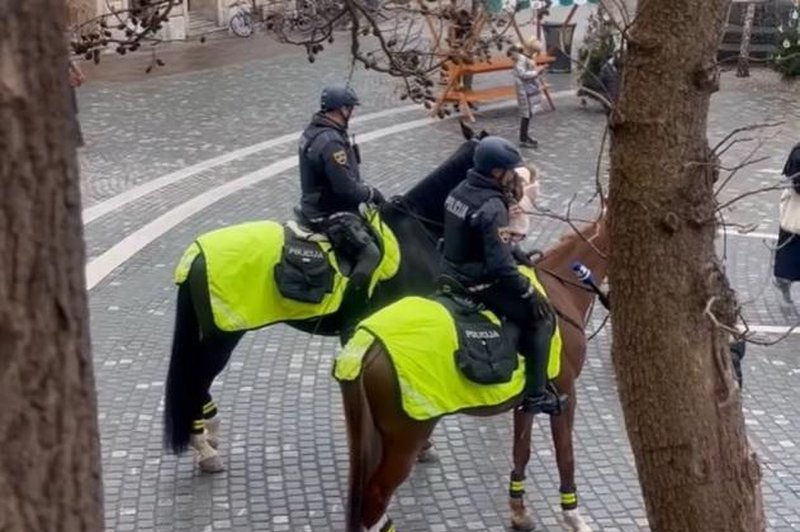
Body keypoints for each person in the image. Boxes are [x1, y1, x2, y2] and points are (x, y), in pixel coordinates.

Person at [441, 136, 566, 415]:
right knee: (542, 318)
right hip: (480, 282)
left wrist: (514, 250)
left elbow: (480, 239)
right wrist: (528, 292)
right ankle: (536, 395)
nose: (514, 176)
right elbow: (500, 267)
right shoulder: (493, 206)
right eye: (511, 170)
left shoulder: (460, 190)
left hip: (451, 272)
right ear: (497, 172)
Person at [298, 85, 385, 337]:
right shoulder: (331, 142)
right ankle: (352, 315)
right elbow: (345, 188)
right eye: (351, 109)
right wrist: (371, 193)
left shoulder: (315, 130)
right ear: (342, 109)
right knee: (370, 254)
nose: (353, 114)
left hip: (313, 204)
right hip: (329, 212)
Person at [774, 143, 800, 307]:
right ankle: (784, 281)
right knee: (790, 256)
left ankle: (784, 280)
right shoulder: (798, 154)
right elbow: (797, 183)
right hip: (796, 214)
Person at [511, 37, 547, 149]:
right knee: (526, 113)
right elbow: (523, 74)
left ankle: (525, 136)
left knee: (529, 113)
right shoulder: (522, 59)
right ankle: (523, 138)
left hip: (528, 88)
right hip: (524, 89)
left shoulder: (527, 58)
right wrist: (536, 72)